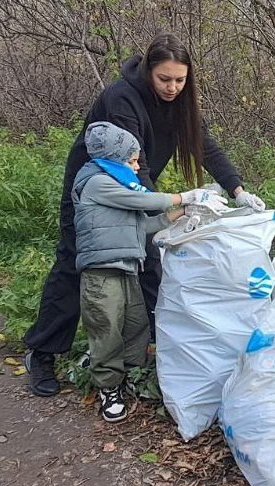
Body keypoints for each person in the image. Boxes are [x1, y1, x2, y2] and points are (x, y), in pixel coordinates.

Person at [24, 33, 266, 397]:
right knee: (78, 263)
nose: (172, 87)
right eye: (164, 79)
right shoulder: (122, 98)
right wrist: (172, 203)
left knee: (151, 257)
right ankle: (42, 352)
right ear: (149, 71)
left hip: (135, 189)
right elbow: (134, 167)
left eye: (180, 80)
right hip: (94, 194)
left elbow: (205, 146)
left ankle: (158, 347)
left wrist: (238, 190)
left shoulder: (181, 102)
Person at [74, 121, 224, 421]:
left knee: (136, 324)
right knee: (107, 328)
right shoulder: (97, 182)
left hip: (127, 266)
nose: (135, 166)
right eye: (131, 160)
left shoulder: (117, 188)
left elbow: (143, 226)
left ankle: (129, 373)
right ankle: (108, 385)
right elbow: (143, 201)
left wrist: (182, 213)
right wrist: (187, 196)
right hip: (101, 273)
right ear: (112, 158)